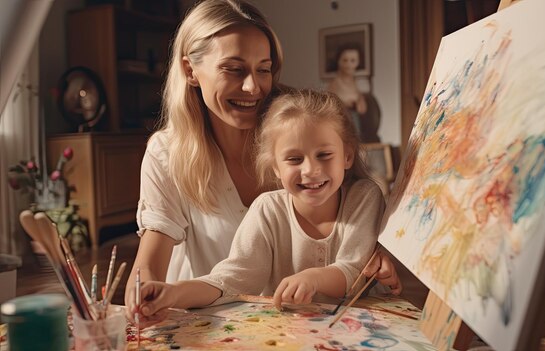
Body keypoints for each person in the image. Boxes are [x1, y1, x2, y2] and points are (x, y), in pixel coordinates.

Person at [125, 0, 401, 319]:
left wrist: (375, 247)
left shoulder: (297, 129)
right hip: (210, 319)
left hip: (299, 322)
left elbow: (352, 225)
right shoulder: (166, 152)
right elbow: (170, 267)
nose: (253, 87)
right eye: (234, 68)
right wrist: (147, 295)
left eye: (264, 69)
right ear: (190, 71)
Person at [135, 89, 388, 322]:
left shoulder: (364, 197)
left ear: (347, 155)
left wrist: (313, 279)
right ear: (276, 167)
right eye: (294, 159)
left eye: (324, 155)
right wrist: (173, 293)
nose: (311, 170)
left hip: (359, 330)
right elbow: (234, 277)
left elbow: (356, 271)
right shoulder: (267, 209)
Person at [327, 44, 381, 143]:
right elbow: (332, 102)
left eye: (352, 61)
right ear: (339, 61)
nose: (348, 65)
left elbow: (362, 104)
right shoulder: (335, 83)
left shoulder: (357, 82)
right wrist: (345, 104)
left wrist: (360, 101)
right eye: (345, 60)